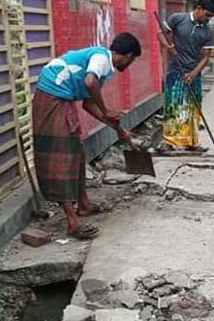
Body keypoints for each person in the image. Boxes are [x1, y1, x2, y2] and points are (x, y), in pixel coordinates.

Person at [32, 33, 141, 239]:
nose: (130, 64)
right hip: (51, 101)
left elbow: (89, 104)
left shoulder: (101, 66)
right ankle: (72, 222)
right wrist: (107, 110)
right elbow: (89, 82)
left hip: (61, 100)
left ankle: (84, 205)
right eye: (132, 60)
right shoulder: (100, 58)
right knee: (62, 158)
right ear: (127, 55)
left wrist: (120, 131)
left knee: (77, 155)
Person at [157, 0, 214, 152]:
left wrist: (193, 73)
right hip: (175, 69)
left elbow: (206, 57)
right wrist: (167, 46)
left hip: (194, 72)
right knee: (173, 105)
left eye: (210, 17)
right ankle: (169, 142)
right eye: (207, 15)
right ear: (198, 8)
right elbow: (161, 33)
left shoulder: (207, 31)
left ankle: (191, 142)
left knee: (192, 108)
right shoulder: (178, 19)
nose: (207, 19)